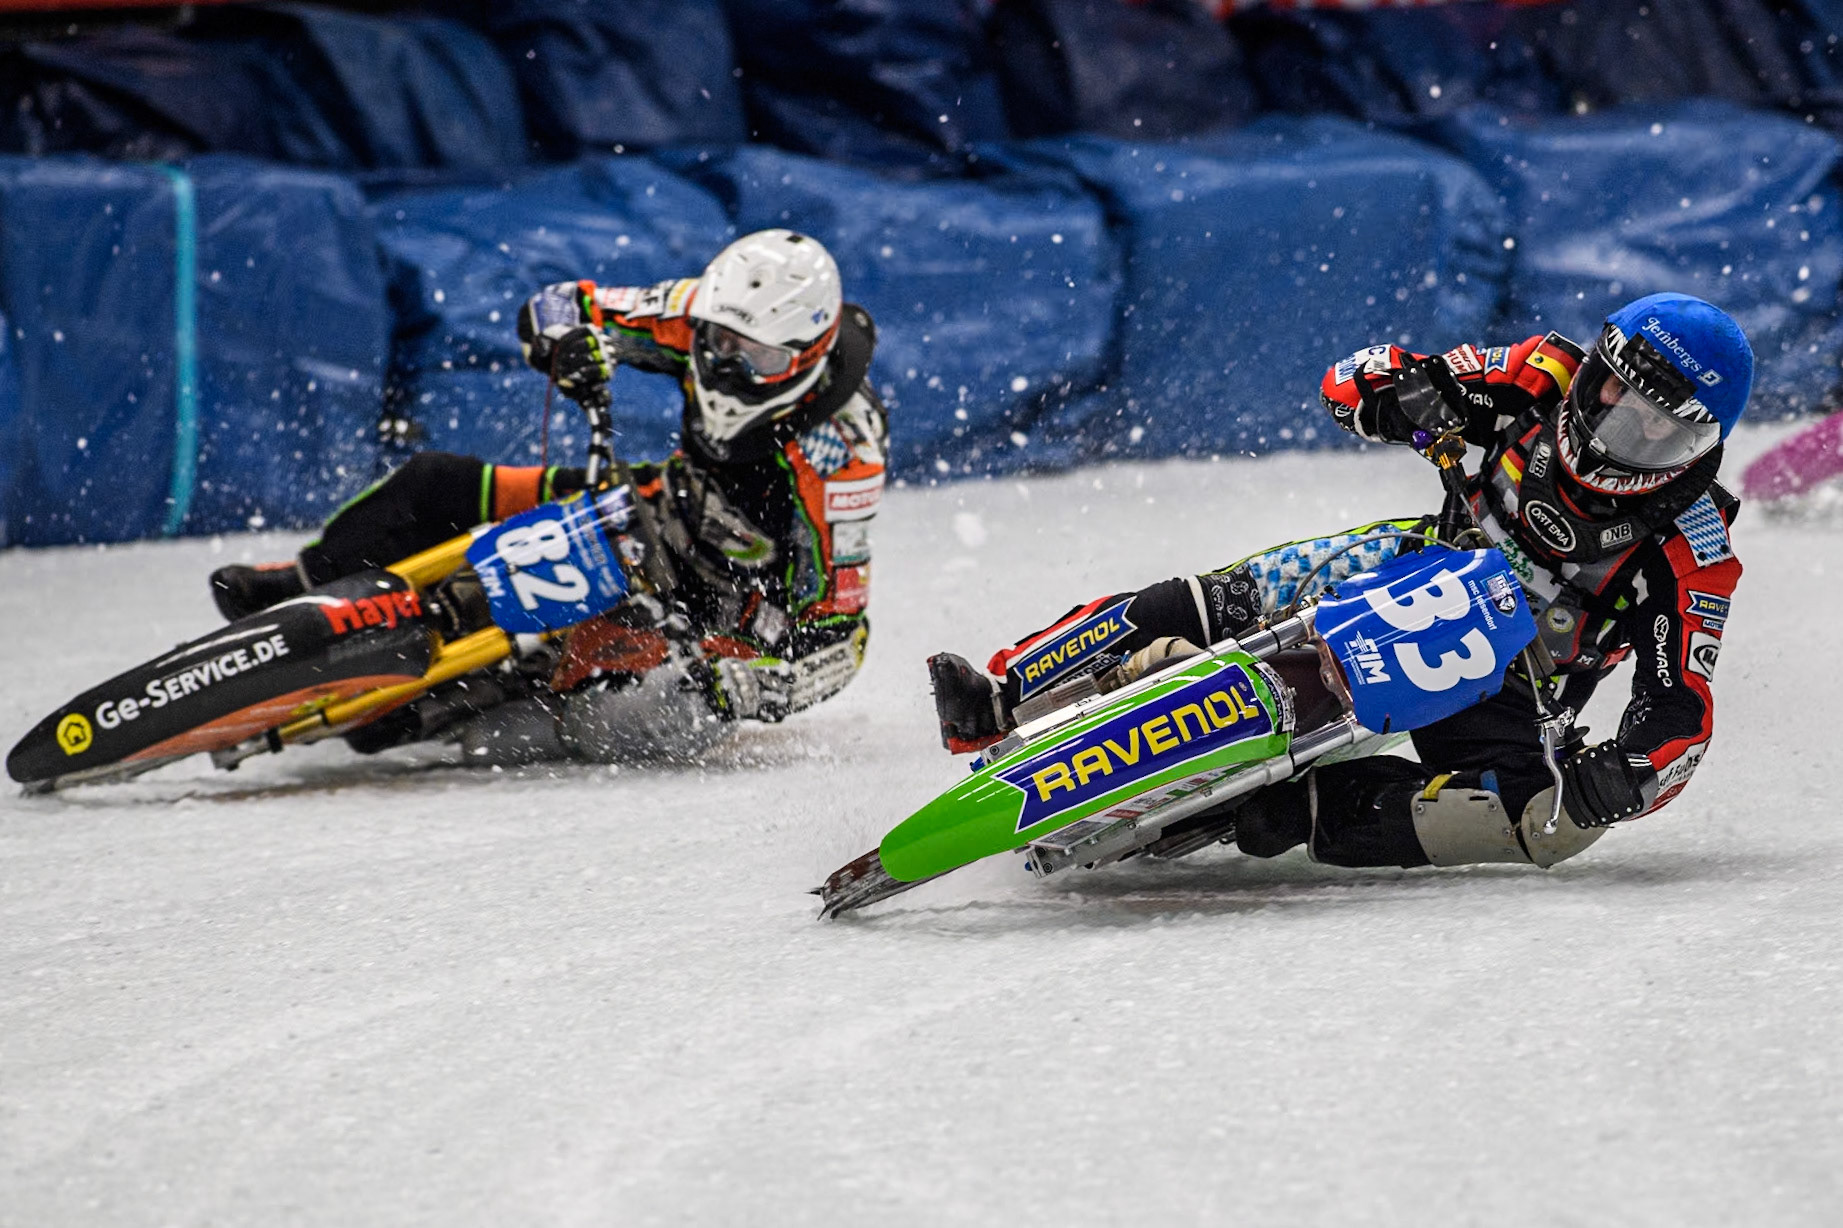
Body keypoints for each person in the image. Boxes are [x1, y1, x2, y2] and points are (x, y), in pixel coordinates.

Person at [930, 293, 1751, 869]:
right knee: (1219, 594)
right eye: (1609, 393)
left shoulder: (1694, 547)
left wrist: (1628, 775)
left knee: (1548, 823)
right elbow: (1352, 377)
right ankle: (1001, 692)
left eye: (1651, 426)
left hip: (1518, 672)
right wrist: (1395, 392)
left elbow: (1681, 705)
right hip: (1422, 556)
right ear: (1593, 365)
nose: (1613, 428)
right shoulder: (1535, 370)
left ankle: (1306, 810)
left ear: (1698, 443)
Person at [210, 229, 887, 764]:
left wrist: (760, 685)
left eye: (756, 357)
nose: (725, 364)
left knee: (629, 716)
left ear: (806, 355)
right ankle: (295, 587)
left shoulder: (840, 457)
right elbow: (561, 303)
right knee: (433, 483)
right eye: (718, 342)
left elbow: (842, 636)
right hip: (652, 506)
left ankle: (490, 706)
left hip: (724, 615)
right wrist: (567, 345)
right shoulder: (697, 311)